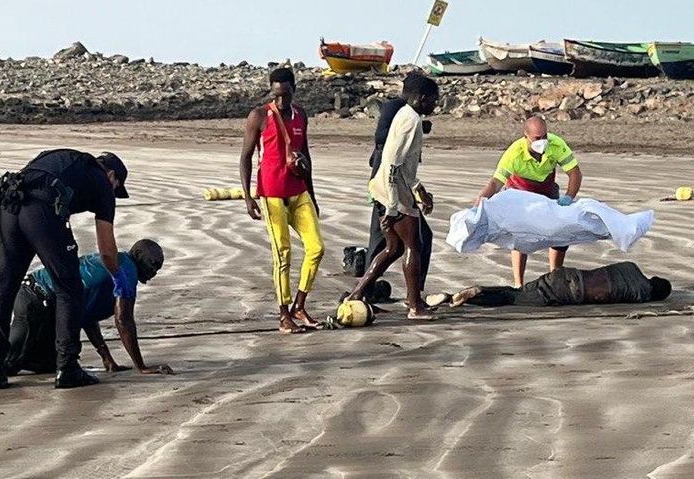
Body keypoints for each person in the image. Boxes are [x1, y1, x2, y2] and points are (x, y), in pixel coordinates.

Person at [0, 240, 173, 381]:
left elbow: (84, 315)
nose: (154, 272)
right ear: (139, 257)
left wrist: (107, 359)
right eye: (154, 265)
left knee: (49, 363)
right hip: (37, 300)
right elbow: (124, 320)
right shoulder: (126, 273)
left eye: (159, 267)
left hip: (37, 296)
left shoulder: (117, 262)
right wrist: (141, 367)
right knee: (7, 367)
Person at [0, 148, 131, 390]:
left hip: (9, 201)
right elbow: (106, 250)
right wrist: (118, 276)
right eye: (116, 188)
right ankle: (67, 367)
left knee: (2, 287)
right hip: (43, 208)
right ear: (112, 176)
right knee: (69, 287)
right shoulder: (102, 182)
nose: (113, 192)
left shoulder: (60, 158)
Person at [345, 75, 439, 320]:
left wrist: (420, 190)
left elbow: (405, 167)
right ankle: (415, 306)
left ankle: (356, 294)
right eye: (433, 101)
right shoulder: (410, 120)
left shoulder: (407, 115)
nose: (435, 106)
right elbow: (393, 165)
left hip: (391, 190)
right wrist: (392, 207)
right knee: (413, 246)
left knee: (393, 248)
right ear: (422, 98)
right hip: (392, 193)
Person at [239, 68, 324, 334]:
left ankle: (300, 305)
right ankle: (283, 314)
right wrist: (248, 197)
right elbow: (245, 157)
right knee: (282, 254)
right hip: (272, 194)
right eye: (276, 95)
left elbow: (306, 156)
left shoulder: (301, 115)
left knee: (316, 248)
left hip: (299, 192)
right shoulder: (259, 116)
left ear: (294, 90)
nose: (281, 100)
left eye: (285, 94)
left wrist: (312, 194)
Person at [475, 116, 583, 287]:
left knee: (561, 232)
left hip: (546, 189)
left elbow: (574, 172)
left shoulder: (556, 144)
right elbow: (496, 182)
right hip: (519, 192)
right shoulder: (514, 153)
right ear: (526, 136)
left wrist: (569, 197)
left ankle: (555, 276)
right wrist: (480, 202)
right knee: (520, 237)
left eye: (545, 136)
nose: (542, 141)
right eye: (537, 138)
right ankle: (519, 284)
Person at [443, 262, 671, 307]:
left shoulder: (631, 267)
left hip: (567, 275)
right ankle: (472, 297)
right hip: (569, 293)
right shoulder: (641, 294)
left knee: (517, 292)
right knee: (511, 299)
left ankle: (468, 294)